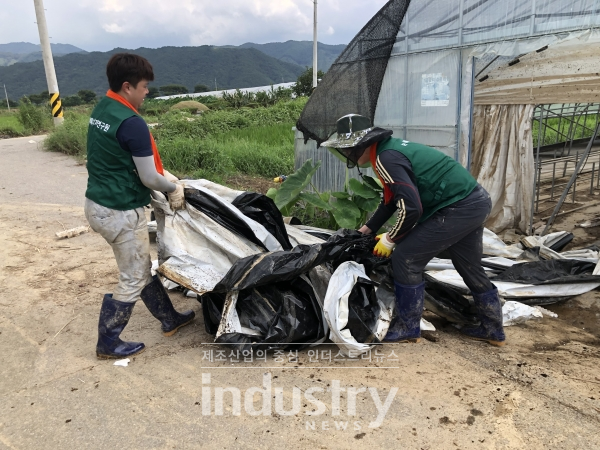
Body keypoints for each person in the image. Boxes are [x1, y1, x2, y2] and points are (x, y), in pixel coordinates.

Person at [322, 114, 505, 346]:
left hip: (458, 206)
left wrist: (390, 239)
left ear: (364, 144)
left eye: (350, 149)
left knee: (405, 258)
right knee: (467, 264)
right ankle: (492, 328)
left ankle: (408, 327)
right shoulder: (387, 151)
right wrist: (367, 230)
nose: (348, 154)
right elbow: (390, 201)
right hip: (473, 201)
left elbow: (411, 207)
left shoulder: (386, 158)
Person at [85, 53, 195, 359]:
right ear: (127, 86)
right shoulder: (132, 123)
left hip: (99, 203)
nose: (147, 91)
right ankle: (108, 341)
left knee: (141, 268)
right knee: (133, 276)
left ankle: (169, 319)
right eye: (144, 86)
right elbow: (149, 177)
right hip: (119, 210)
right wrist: (174, 188)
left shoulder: (103, 108)